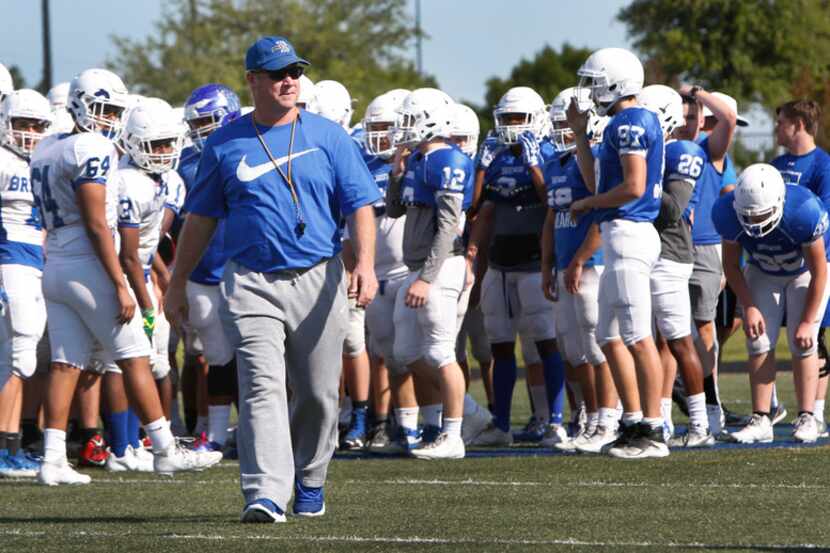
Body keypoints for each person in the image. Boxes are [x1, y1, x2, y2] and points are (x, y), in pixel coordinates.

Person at [164, 36, 379, 523]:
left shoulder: (328, 136)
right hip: (250, 281)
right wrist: (177, 283)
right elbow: (199, 219)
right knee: (260, 384)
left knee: (320, 394)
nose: (289, 81)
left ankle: (310, 478)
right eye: (278, 73)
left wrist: (364, 263)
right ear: (253, 80)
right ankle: (264, 492)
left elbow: (359, 205)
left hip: (319, 276)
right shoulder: (223, 143)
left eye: (295, 72)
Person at [32, 68, 222, 486]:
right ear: (79, 104)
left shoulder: (47, 145)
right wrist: (119, 282)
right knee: (135, 354)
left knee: (67, 362)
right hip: (86, 260)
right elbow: (99, 224)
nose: (108, 118)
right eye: (102, 108)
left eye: (114, 109)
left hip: (57, 262)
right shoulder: (92, 146)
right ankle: (165, 449)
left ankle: (51, 459)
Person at [567, 48, 667, 459]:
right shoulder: (618, 124)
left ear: (615, 81)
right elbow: (596, 183)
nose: (589, 92)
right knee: (609, 336)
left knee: (638, 337)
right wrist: (578, 135)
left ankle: (655, 430)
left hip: (629, 231)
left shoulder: (632, 122)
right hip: (618, 233)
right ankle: (633, 422)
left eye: (594, 82)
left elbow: (633, 187)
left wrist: (589, 206)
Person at [467, 86, 567, 448]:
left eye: (518, 118)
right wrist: (480, 167)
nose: (510, 126)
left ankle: (555, 421)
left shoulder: (547, 151)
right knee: (501, 346)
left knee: (546, 343)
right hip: (499, 262)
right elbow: (476, 206)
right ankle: (502, 423)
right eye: (505, 118)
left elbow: (550, 199)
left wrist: (534, 163)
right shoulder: (495, 154)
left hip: (532, 263)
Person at [386, 88, 474, 459]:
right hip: (416, 267)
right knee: (403, 352)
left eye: (409, 120)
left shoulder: (446, 160)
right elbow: (393, 210)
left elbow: (448, 224)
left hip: (439, 267)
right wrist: (396, 173)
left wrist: (426, 276)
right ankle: (469, 411)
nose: (403, 129)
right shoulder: (420, 160)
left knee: (440, 351)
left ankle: (453, 434)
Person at [714, 164, 829, 443]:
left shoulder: (804, 210)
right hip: (762, 270)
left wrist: (806, 321)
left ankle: (807, 416)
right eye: (748, 217)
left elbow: (820, 271)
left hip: (803, 272)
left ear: (779, 203)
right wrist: (749, 306)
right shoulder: (725, 211)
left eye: (762, 215)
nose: (755, 224)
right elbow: (730, 264)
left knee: (803, 341)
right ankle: (762, 418)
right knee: (758, 341)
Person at [542, 86, 620, 454]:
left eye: (567, 124)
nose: (562, 130)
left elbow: (600, 218)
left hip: (589, 265)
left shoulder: (597, 160)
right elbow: (550, 217)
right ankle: (590, 416)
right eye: (558, 123)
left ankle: (608, 418)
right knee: (572, 350)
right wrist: (548, 264)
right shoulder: (555, 163)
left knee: (595, 345)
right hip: (565, 264)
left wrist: (577, 261)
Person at [637, 85, 713, 447]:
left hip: (669, 256)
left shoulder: (683, 151)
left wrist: (638, 180)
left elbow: (672, 210)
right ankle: (660, 417)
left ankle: (700, 424)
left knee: (679, 341)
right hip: (642, 253)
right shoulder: (649, 149)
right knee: (646, 341)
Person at [180, 83, 242, 453]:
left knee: (259, 358)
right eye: (197, 122)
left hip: (244, 270)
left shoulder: (246, 149)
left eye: (207, 120)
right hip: (203, 275)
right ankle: (217, 435)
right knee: (217, 357)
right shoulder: (187, 163)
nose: (201, 129)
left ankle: (265, 429)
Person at [0, 89, 52, 477]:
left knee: (21, 359)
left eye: (37, 125)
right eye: (23, 124)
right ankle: (4, 446)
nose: (31, 132)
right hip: (9, 263)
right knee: (18, 359)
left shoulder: (39, 162)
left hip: (34, 263)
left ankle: (11, 444)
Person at [770, 100, 830, 435]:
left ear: (798, 125)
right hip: (779, 264)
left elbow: (824, 215)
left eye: (781, 122)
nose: (777, 128)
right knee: (792, 336)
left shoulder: (823, 165)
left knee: (813, 335)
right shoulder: (776, 165)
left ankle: (815, 412)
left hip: (815, 262)